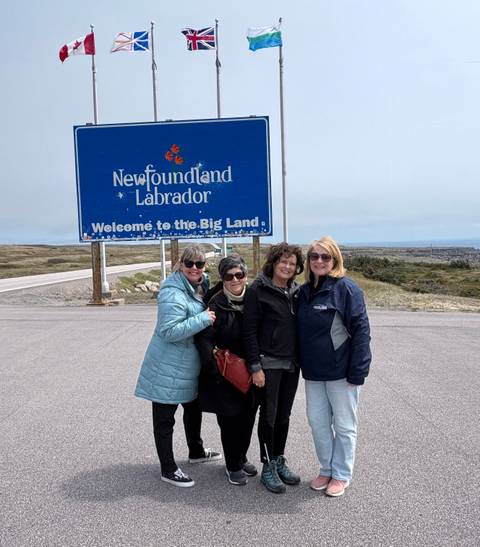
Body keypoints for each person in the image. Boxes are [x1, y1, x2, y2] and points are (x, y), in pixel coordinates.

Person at [135, 244, 222, 488]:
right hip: (167, 366)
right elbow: (169, 331)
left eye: (200, 264)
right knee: (165, 419)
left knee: (193, 409)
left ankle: (196, 450)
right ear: (180, 265)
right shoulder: (172, 292)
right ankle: (168, 468)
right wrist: (202, 319)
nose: (195, 268)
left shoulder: (199, 285)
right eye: (189, 263)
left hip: (188, 365)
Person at [297, 236, 371, 497]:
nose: (319, 261)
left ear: (335, 259)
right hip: (314, 374)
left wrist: (358, 370)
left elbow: (361, 332)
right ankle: (326, 468)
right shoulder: (303, 292)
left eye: (325, 256)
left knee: (344, 426)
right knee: (317, 423)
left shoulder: (347, 289)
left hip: (342, 374)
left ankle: (341, 474)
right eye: (314, 256)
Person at [243, 242, 305, 494]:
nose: (288, 266)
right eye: (284, 262)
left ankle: (279, 459)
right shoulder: (258, 290)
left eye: (292, 263)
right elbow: (248, 332)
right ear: (274, 263)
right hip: (267, 364)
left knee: (284, 416)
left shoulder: (296, 291)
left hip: (291, 364)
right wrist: (254, 366)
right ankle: (267, 465)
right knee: (268, 416)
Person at [195, 255, 259, 486]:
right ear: (222, 279)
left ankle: (241, 457)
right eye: (229, 276)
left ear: (245, 276)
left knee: (248, 417)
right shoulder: (215, 304)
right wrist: (214, 373)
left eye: (239, 275)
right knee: (230, 420)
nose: (235, 280)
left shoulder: (253, 299)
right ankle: (232, 465)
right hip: (224, 373)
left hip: (251, 371)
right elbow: (204, 340)